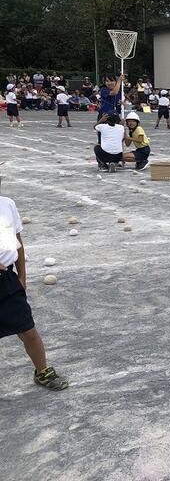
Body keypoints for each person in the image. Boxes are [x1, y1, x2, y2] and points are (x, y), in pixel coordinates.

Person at [0, 165, 68, 390]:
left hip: (6, 280)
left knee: (28, 329)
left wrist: (22, 277)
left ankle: (42, 371)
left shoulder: (7, 204)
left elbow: (17, 242)